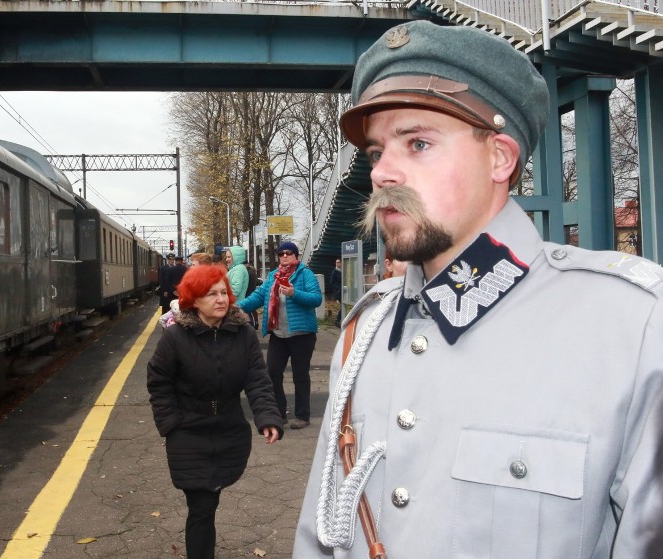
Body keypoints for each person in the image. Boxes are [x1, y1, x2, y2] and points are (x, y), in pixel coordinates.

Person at [294, 20, 663, 559]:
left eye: (417, 143)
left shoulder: (630, 328)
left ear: (500, 158)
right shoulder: (364, 331)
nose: (381, 173)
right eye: (376, 153)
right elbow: (321, 534)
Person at [147, 265, 284, 559]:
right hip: (188, 432)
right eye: (211, 294)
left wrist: (267, 417)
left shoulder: (243, 334)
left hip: (229, 430)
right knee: (202, 506)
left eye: (224, 292)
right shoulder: (175, 338)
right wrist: (170, 424)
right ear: (193, 300)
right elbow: (159, 382)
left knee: (212, 496)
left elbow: (257, 380)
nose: (221, 299)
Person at [238, 241, 323, 430]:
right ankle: (279, 412)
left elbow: (316, 299)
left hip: (302, 334)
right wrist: (235, 308)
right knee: (272, 374)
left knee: (300, 375)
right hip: (279, 334)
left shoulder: (305, 274)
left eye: (289, 253)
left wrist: (294, 293)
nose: (285, 256)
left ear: (296, 256)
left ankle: (302, 415)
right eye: (281, 253)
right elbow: (258, 297)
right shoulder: (273, 277)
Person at [329, 258, 342, 327]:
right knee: (342, 306)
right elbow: (331, 283)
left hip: (343, 291)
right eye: (336, 262)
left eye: (338, 262)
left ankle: (339, 320)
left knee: (343, 306)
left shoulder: (343, 270)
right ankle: (337, 321)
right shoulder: (334, 271)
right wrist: (338, 288)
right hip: (338, 292)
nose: (337, 263)